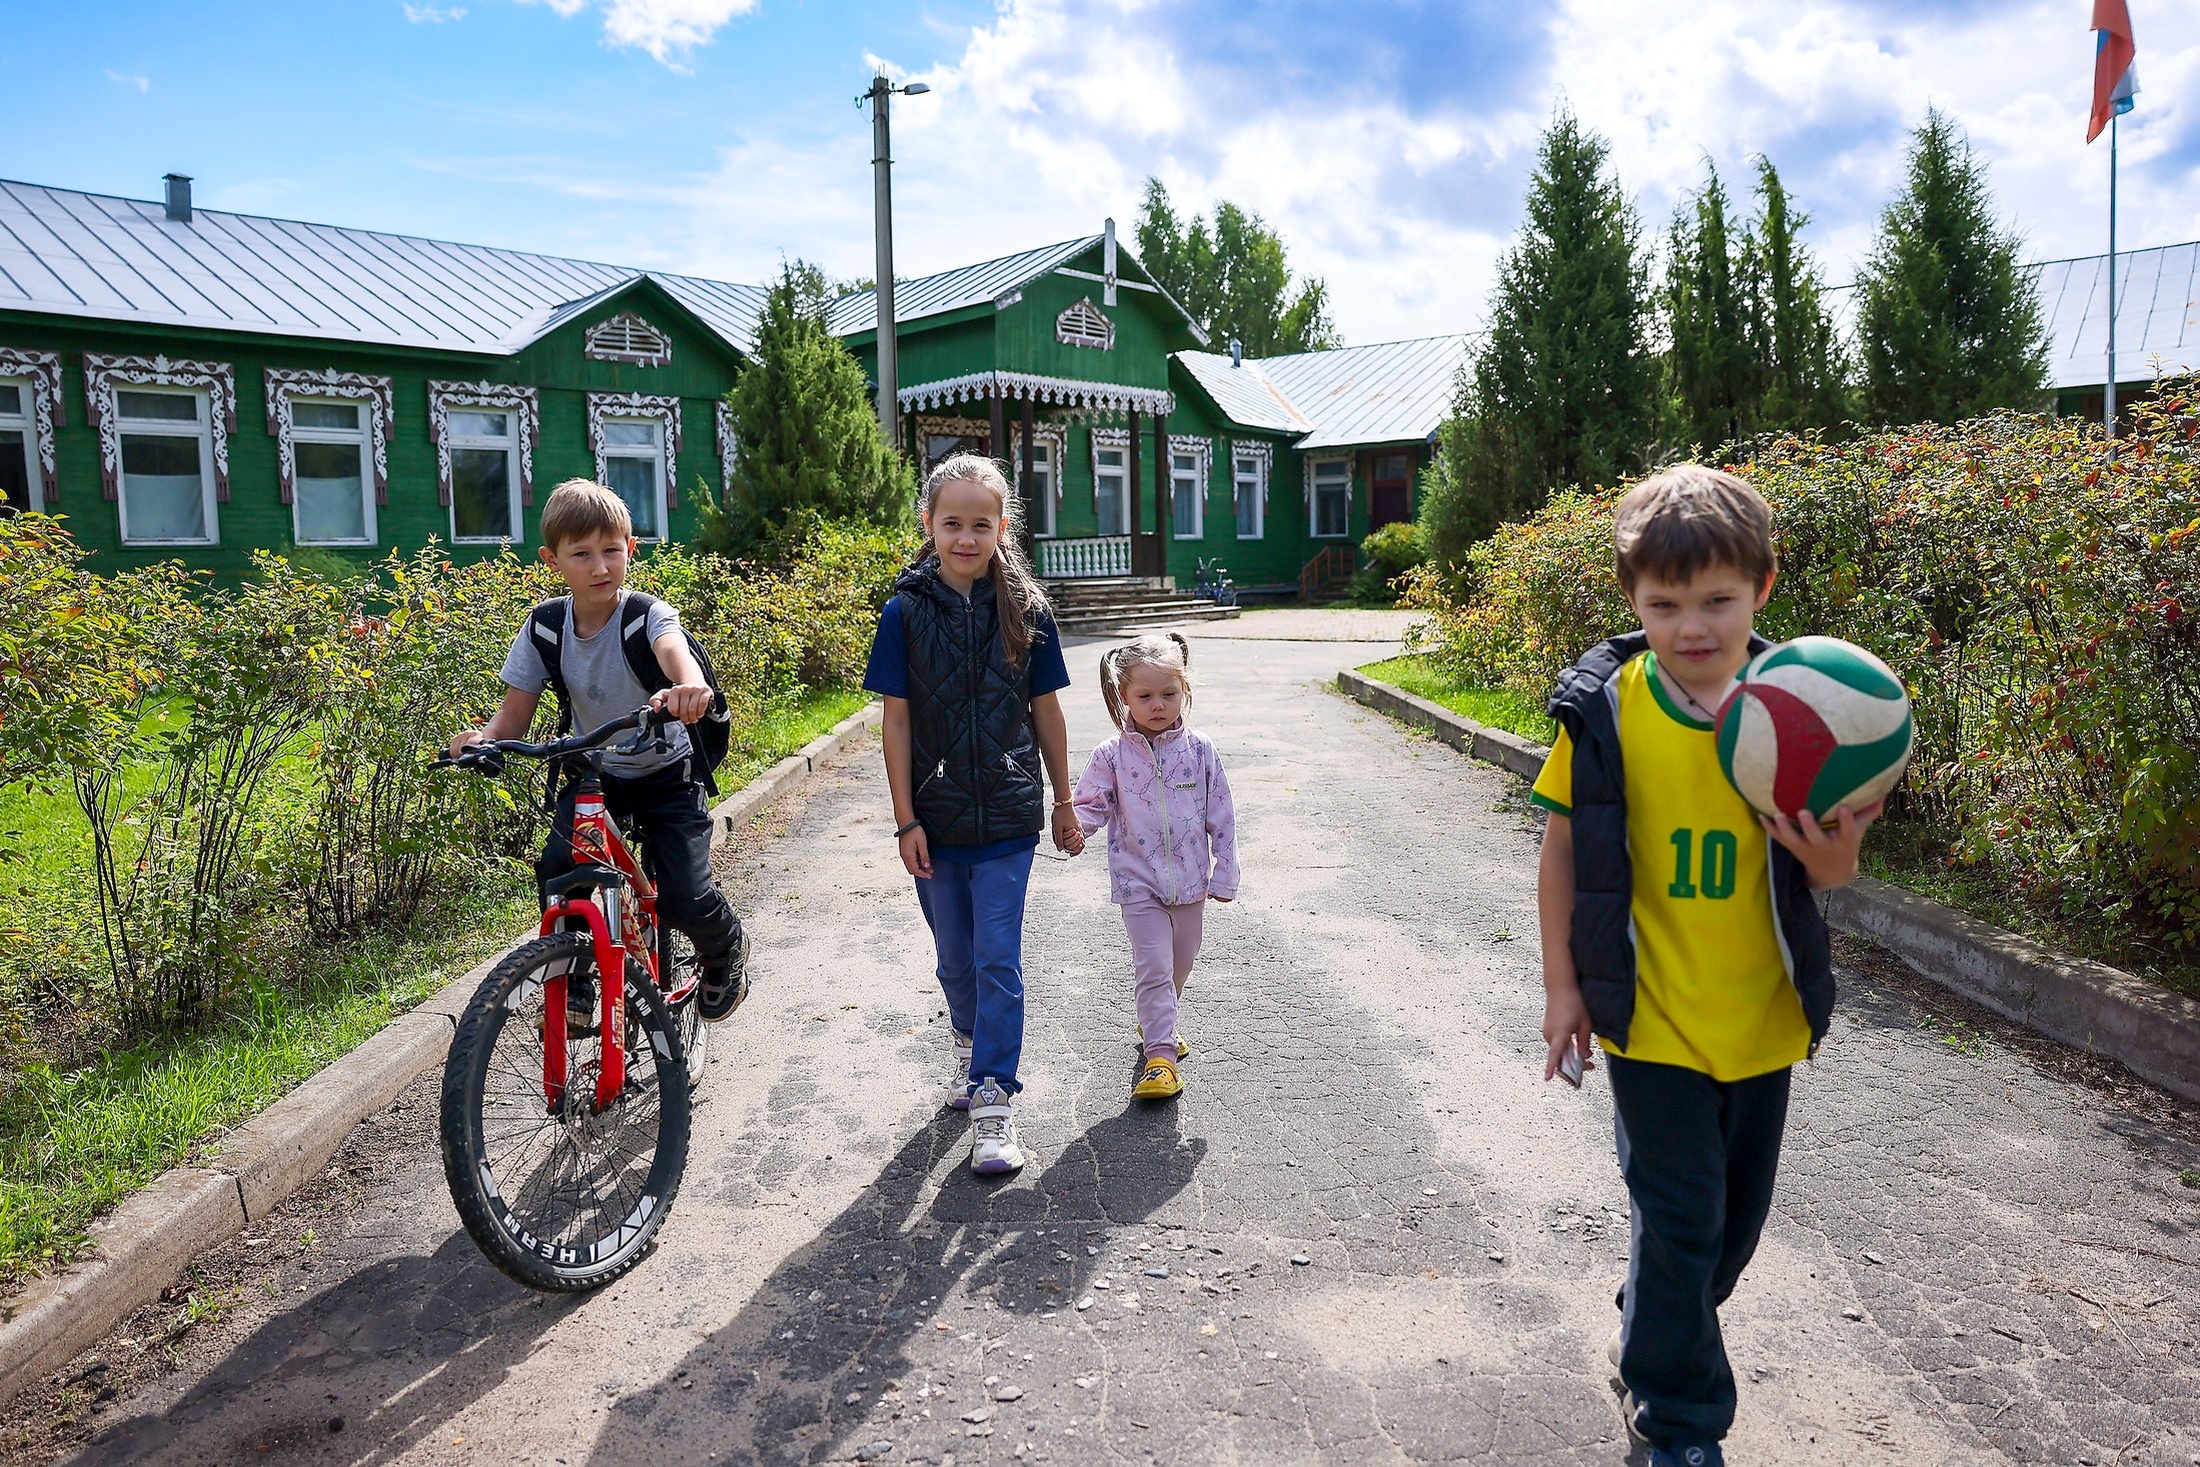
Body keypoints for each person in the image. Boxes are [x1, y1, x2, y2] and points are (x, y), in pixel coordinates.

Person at [1531, 465, 1881, 1467]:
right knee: (1680, 1219)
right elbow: (1559, 850)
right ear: (1631, 602)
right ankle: (1680, 1422)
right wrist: (1563, 988)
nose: (1691, 625)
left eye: (1717, 600)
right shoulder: (1607, 711)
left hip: (1763, 1021)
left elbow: (1835, 858)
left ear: (1762, 587)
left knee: (1725, 1236)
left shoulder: (1807, 707)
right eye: (1663, 604)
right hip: (1651, 1022)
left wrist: (1836, 862)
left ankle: (1652, 1319)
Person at [449, 479, 750, 1026]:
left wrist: (688, 687)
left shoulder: (644, 616)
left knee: (683, 895)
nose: (599, 567)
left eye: (612, 550)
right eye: (581, 554)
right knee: (562, 870)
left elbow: (674, 653)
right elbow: (513, 714)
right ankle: (575, 983)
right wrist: (482, 741)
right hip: (595, 772)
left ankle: (724, 948)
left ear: (631, 549)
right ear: (552, 560)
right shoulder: (544, 628)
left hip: (665, 772)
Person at [863, 453, 1077, 1174]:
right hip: (935, 820)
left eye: (980, 523)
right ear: (929, 524)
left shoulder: (1028, 611)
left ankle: (993, 1099)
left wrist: (1065, 798)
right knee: (955, 956)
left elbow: (1046, 712)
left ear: (1002, 527)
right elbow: (895, 723)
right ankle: (966, 1043)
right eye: (951, 522)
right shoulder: (902, 613)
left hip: (1011, 818)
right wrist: (905, 818)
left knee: (996, 956)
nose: (965, 536)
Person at [1068, 633, 1238, 1100]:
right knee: (1155, 966)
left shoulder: (1200, 750)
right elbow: (1090, 803)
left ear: (1185, 691)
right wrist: (1077, 828)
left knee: (1180, 964)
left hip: (1190, 884)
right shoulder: (1111, 755)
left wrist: (1224, 872)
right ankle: (1160, 1057)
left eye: (1169, 693)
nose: (1158, 705)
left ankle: (1157, 1020)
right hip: (1137, 883)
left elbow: (1221, 813)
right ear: (1124, 696)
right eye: (1145, 696)